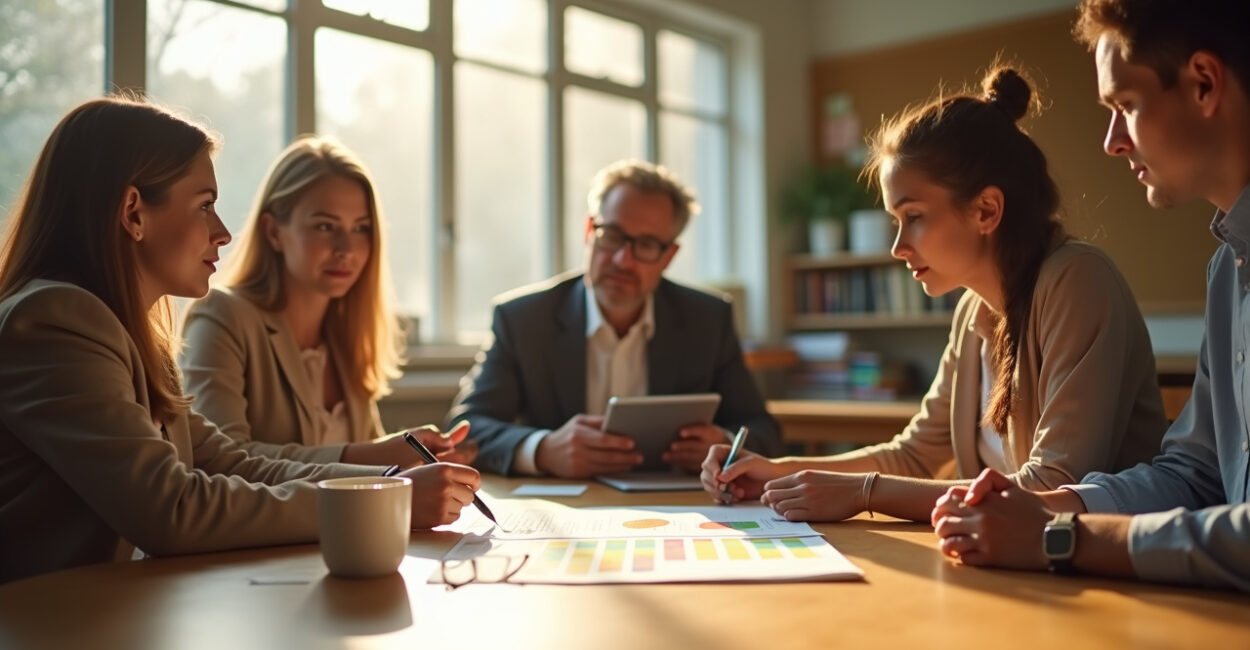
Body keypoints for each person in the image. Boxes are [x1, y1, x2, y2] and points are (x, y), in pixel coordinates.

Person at [0, 97, 479, 584]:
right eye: (204, 205)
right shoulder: (56, 320)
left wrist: (386, 485)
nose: (223, 232)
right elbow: (173, 509)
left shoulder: (132, 335)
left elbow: (234, 464)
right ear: (133, 212)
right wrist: (388, 498)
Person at [701, 65, 1169, 523]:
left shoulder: (1077, 280)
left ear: (986, 209)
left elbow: (1051, 486)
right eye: (896, 221)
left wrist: (866, 493)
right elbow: (915, 455)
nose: (898, 247)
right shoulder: (972, 310)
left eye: (915, 216)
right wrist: (777, 472)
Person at [932, 0, 1250, 592]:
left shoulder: (1076, 278)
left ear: (1204, 84)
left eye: (1125, 106)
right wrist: (1056, 507)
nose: (1111, 142)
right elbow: (1197, 471)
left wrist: (1062, 538)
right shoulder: (1228, 271)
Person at [448, 159, 780, 478]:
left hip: (679, 508)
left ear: (669, 256)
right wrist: (542, 450)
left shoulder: (707, 319)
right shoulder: (523, 319)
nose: (623, 259)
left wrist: (723, 444)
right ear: (589, 230)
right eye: (614, 235)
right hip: (563, 513)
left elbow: (763, 430)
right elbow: (466, 428)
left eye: (647, 244)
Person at [180, 136, 474, 467]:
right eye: (325, 226)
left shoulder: (347, 329)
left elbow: (369, 471)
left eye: (361, 228)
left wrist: (419, 458)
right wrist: (377, 455)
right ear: (274, 232)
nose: (346, 249)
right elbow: (220, 461)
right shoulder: (222, 315)